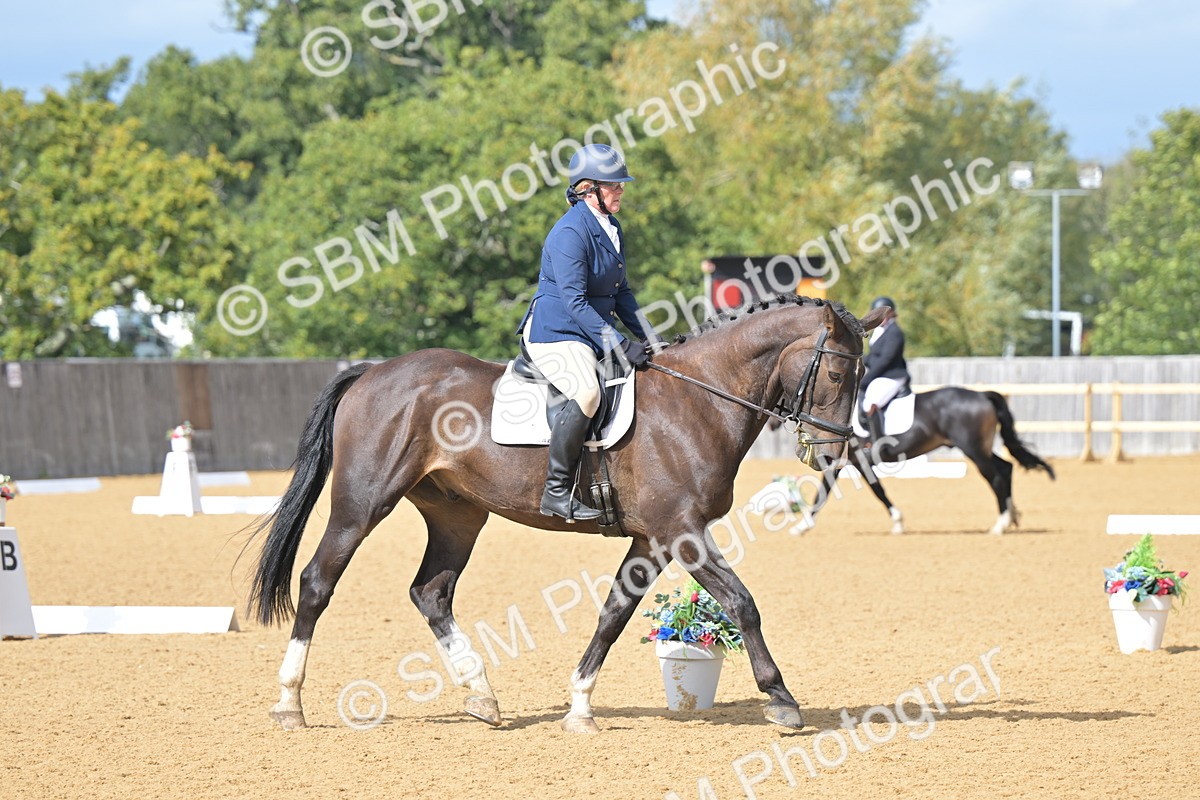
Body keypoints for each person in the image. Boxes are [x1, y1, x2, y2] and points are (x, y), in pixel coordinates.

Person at [516, 143, 651, 521]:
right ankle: (556, 490)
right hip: (556, 332)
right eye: (613, 185)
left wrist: (650, 337)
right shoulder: (570, 233)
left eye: (621, 184)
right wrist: (620, 343)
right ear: (588, 189)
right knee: (588, 392)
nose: (621, 190)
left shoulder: (611, 226)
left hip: (588, 330)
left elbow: (621, 293)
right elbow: (575, 303)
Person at [860, 296, 910, 454]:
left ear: (890, 314)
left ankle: (877, 443)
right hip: (882, 375)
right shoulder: (878, 331)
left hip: (892, 375)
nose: (879, 319)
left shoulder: (894, 332)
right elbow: (873, 356)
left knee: (870, 403)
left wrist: (867, 379)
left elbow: (885, 360)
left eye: (882, 315)